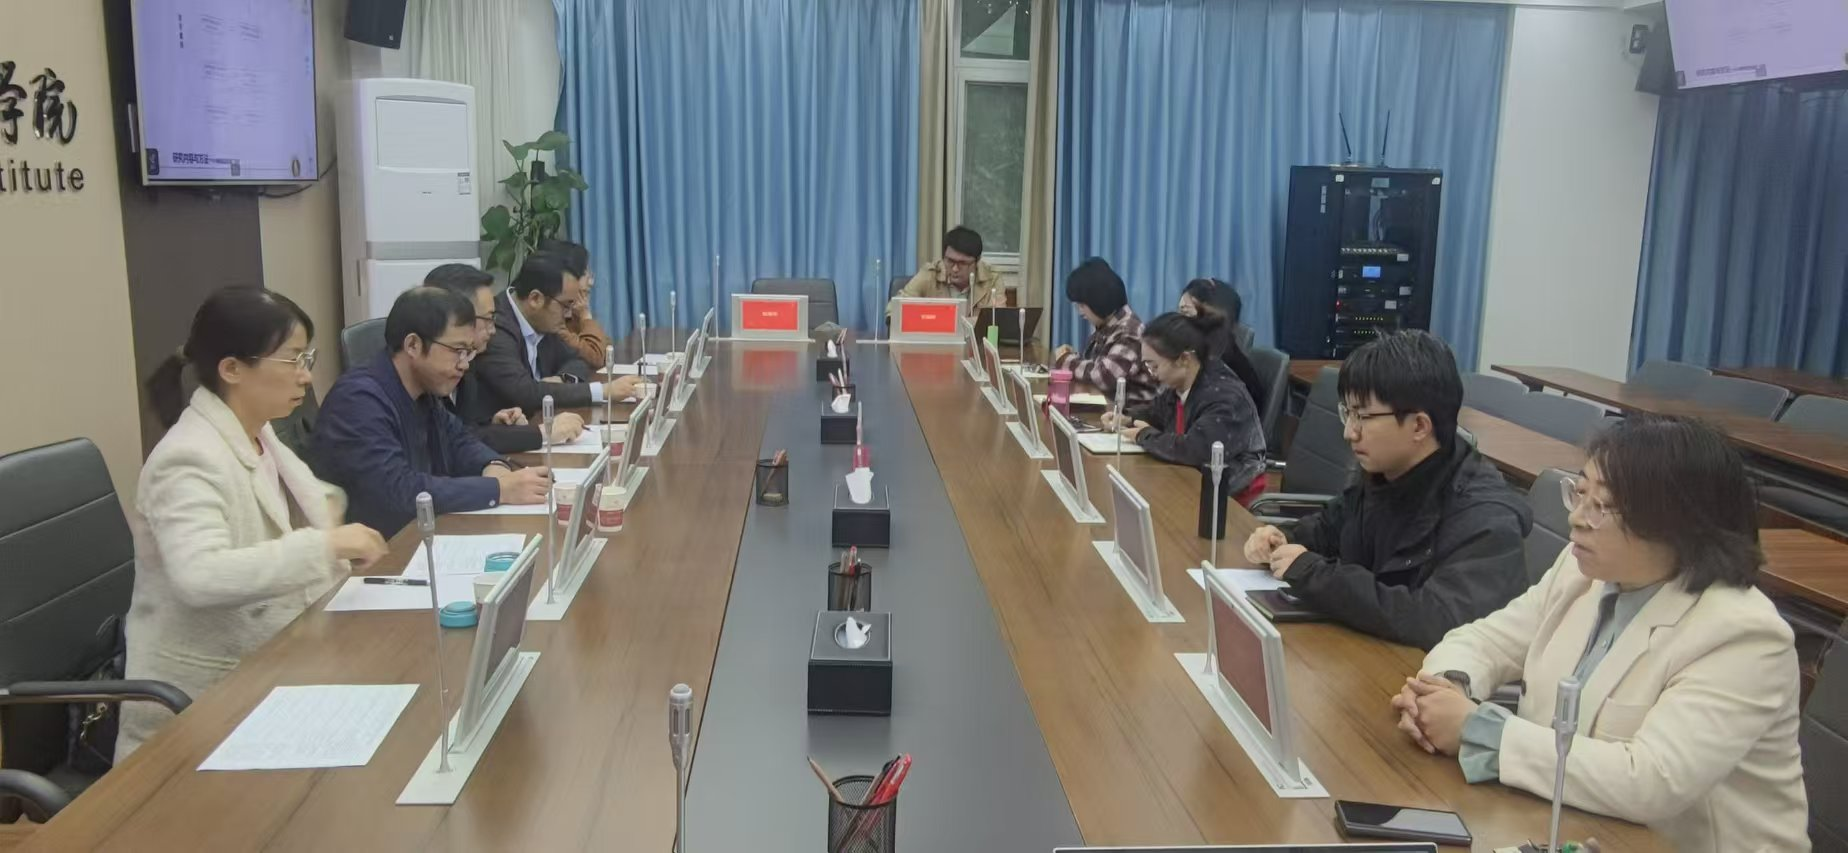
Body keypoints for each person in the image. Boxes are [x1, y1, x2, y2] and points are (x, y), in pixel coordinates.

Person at [1395, 415, 1808, 851]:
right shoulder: (1582, 571)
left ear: (1676, 521)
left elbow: (1651, 781)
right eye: (1579, 492)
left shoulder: (1743, 635)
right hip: (1564, 823)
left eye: (1602, 506)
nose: (1576, 518)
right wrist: (1445, 693)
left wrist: (1478, 729)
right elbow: (1486, 640)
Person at [119, 286, 390, 759]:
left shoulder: (259, 432)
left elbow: (314, 500)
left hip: (280, 661)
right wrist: (325, 546)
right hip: (205, 703)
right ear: (232, 369)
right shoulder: (187, 458)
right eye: (292, 359)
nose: (306, 375)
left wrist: (331, 518)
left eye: (307, 357)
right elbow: (201, 576)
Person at [1242, 330, 1531, 649]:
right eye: (1348, 413)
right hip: (1368, 651)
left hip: (1423, 671)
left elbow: (1436, 618)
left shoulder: (1486, 519)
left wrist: (1315, 575)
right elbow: (1330, 529)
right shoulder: (1388, 472)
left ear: (1419, 426)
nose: (1349, 433)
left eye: (1363, 416)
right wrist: (1284, 539)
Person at [313, 287, 552, 537]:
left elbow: (459, 440)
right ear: (413, 345)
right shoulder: (358, 401)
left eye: (468, 352)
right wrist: (498, 490)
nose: (465, 364)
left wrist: (493, 465)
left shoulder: (423, 390)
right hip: (380, 548)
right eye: (457, 351)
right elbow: (398, 492)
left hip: (420, 533)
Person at [1102, 311, 1268, 503]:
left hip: (1230, 496)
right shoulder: (1183, 382)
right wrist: (1127, 417)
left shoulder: (1224, 397)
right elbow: (1157, 412)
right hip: (1191, 479)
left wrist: (1143, 435)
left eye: (1154, 366)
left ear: (1184, 359)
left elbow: (1196, 450)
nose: (1152, 374)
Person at [423, 263, 586, 453]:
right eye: (488, 319)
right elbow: (449, 442)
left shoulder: (469, 360)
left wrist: (492, 423)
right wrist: (543, 433)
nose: (493, 330)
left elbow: (466, 429)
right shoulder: (427, 373)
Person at [473, 251, 643, 415]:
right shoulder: (496, 327)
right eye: (566, 305)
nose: (568, 314)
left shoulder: (542, 318)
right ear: (535, 299)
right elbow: (524, 392)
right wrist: (602, 391)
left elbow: (577, 359)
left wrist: (564, 378)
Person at [1051, 258, 1157, 408]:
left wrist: (1065, 360)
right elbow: (1095, 363)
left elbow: (1104, 376)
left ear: (1098, 299)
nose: (1080, 312)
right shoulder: (1108, 326)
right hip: (1108, 409)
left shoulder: (1129, 330)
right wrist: (1074, 357)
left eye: (1082, 305)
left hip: (1130, 415)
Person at [1178, 278, 1266, 412]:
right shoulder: (1197, 349)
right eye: (1179, 312)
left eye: (1186, 313)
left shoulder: (1222, 365)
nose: (1177, 321)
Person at [886, 226, 1003, 321]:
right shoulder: (930, 274)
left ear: (977, 261)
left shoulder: (992, 279)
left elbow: (998, 319)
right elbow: (893, 311)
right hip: (934, 340)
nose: (955, 269)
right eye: (950, 261)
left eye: (962, 263)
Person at [540, 238, 612, 366]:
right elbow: (596, 357)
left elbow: (607, 349)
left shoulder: (572, 313)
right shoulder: (553, 317)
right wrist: (586, 316)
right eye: (585, 274)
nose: (591, 282)